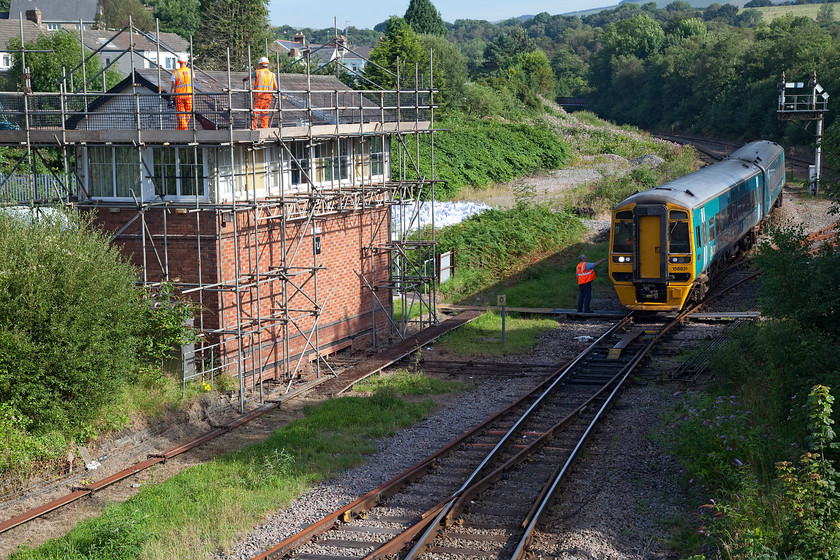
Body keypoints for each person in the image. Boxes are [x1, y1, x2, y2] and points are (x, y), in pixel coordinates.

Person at [251, 56, 277, 129]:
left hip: (259, 96)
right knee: (265, 113)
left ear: (260, 64)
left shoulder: (257, 72)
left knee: (255, 112)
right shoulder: (272, 74)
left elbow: (248, 77)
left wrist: (244, 79)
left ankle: (253, 127)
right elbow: (275, 86)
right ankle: (265, 127)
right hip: (268, 97)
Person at [170, 55, 192, 130]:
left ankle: (181, 129)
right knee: (188, 114)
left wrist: (171, 98)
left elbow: (173, 86)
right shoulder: (191, 71)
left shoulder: (175, 73)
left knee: (181, 115)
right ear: (186, 62)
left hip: (179, 96)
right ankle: (183, 129)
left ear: (179, 62)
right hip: (189, 95)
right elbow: (193, 80)